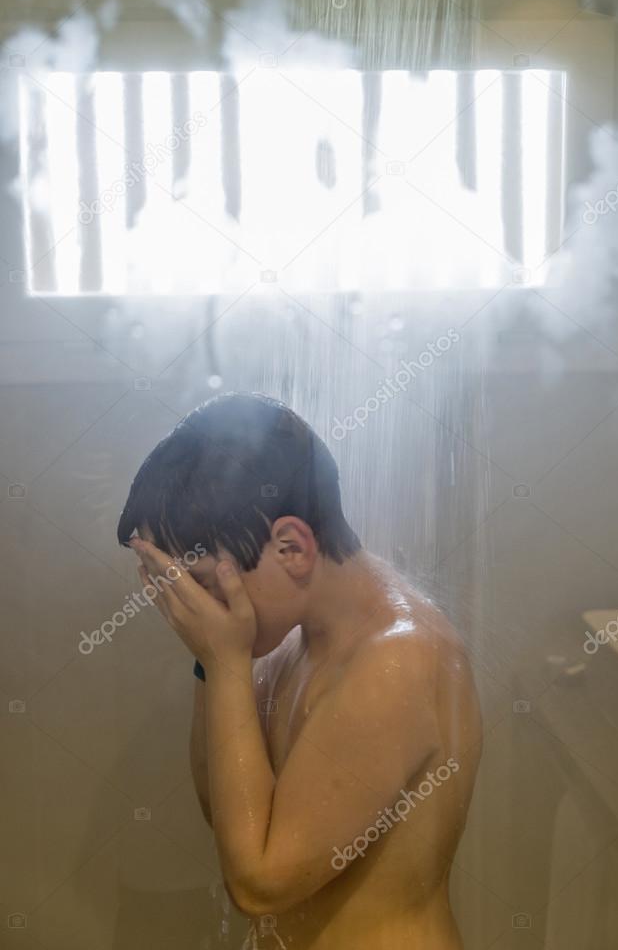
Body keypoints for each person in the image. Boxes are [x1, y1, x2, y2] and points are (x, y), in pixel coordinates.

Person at [118, 392, 482, 949]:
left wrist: (225, 658)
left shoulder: (399, 660)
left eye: (204, 584)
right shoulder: (293, 637)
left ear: (291, 546)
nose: (199, 608)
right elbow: (228, 814)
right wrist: (213, 661)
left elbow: (260, 885)